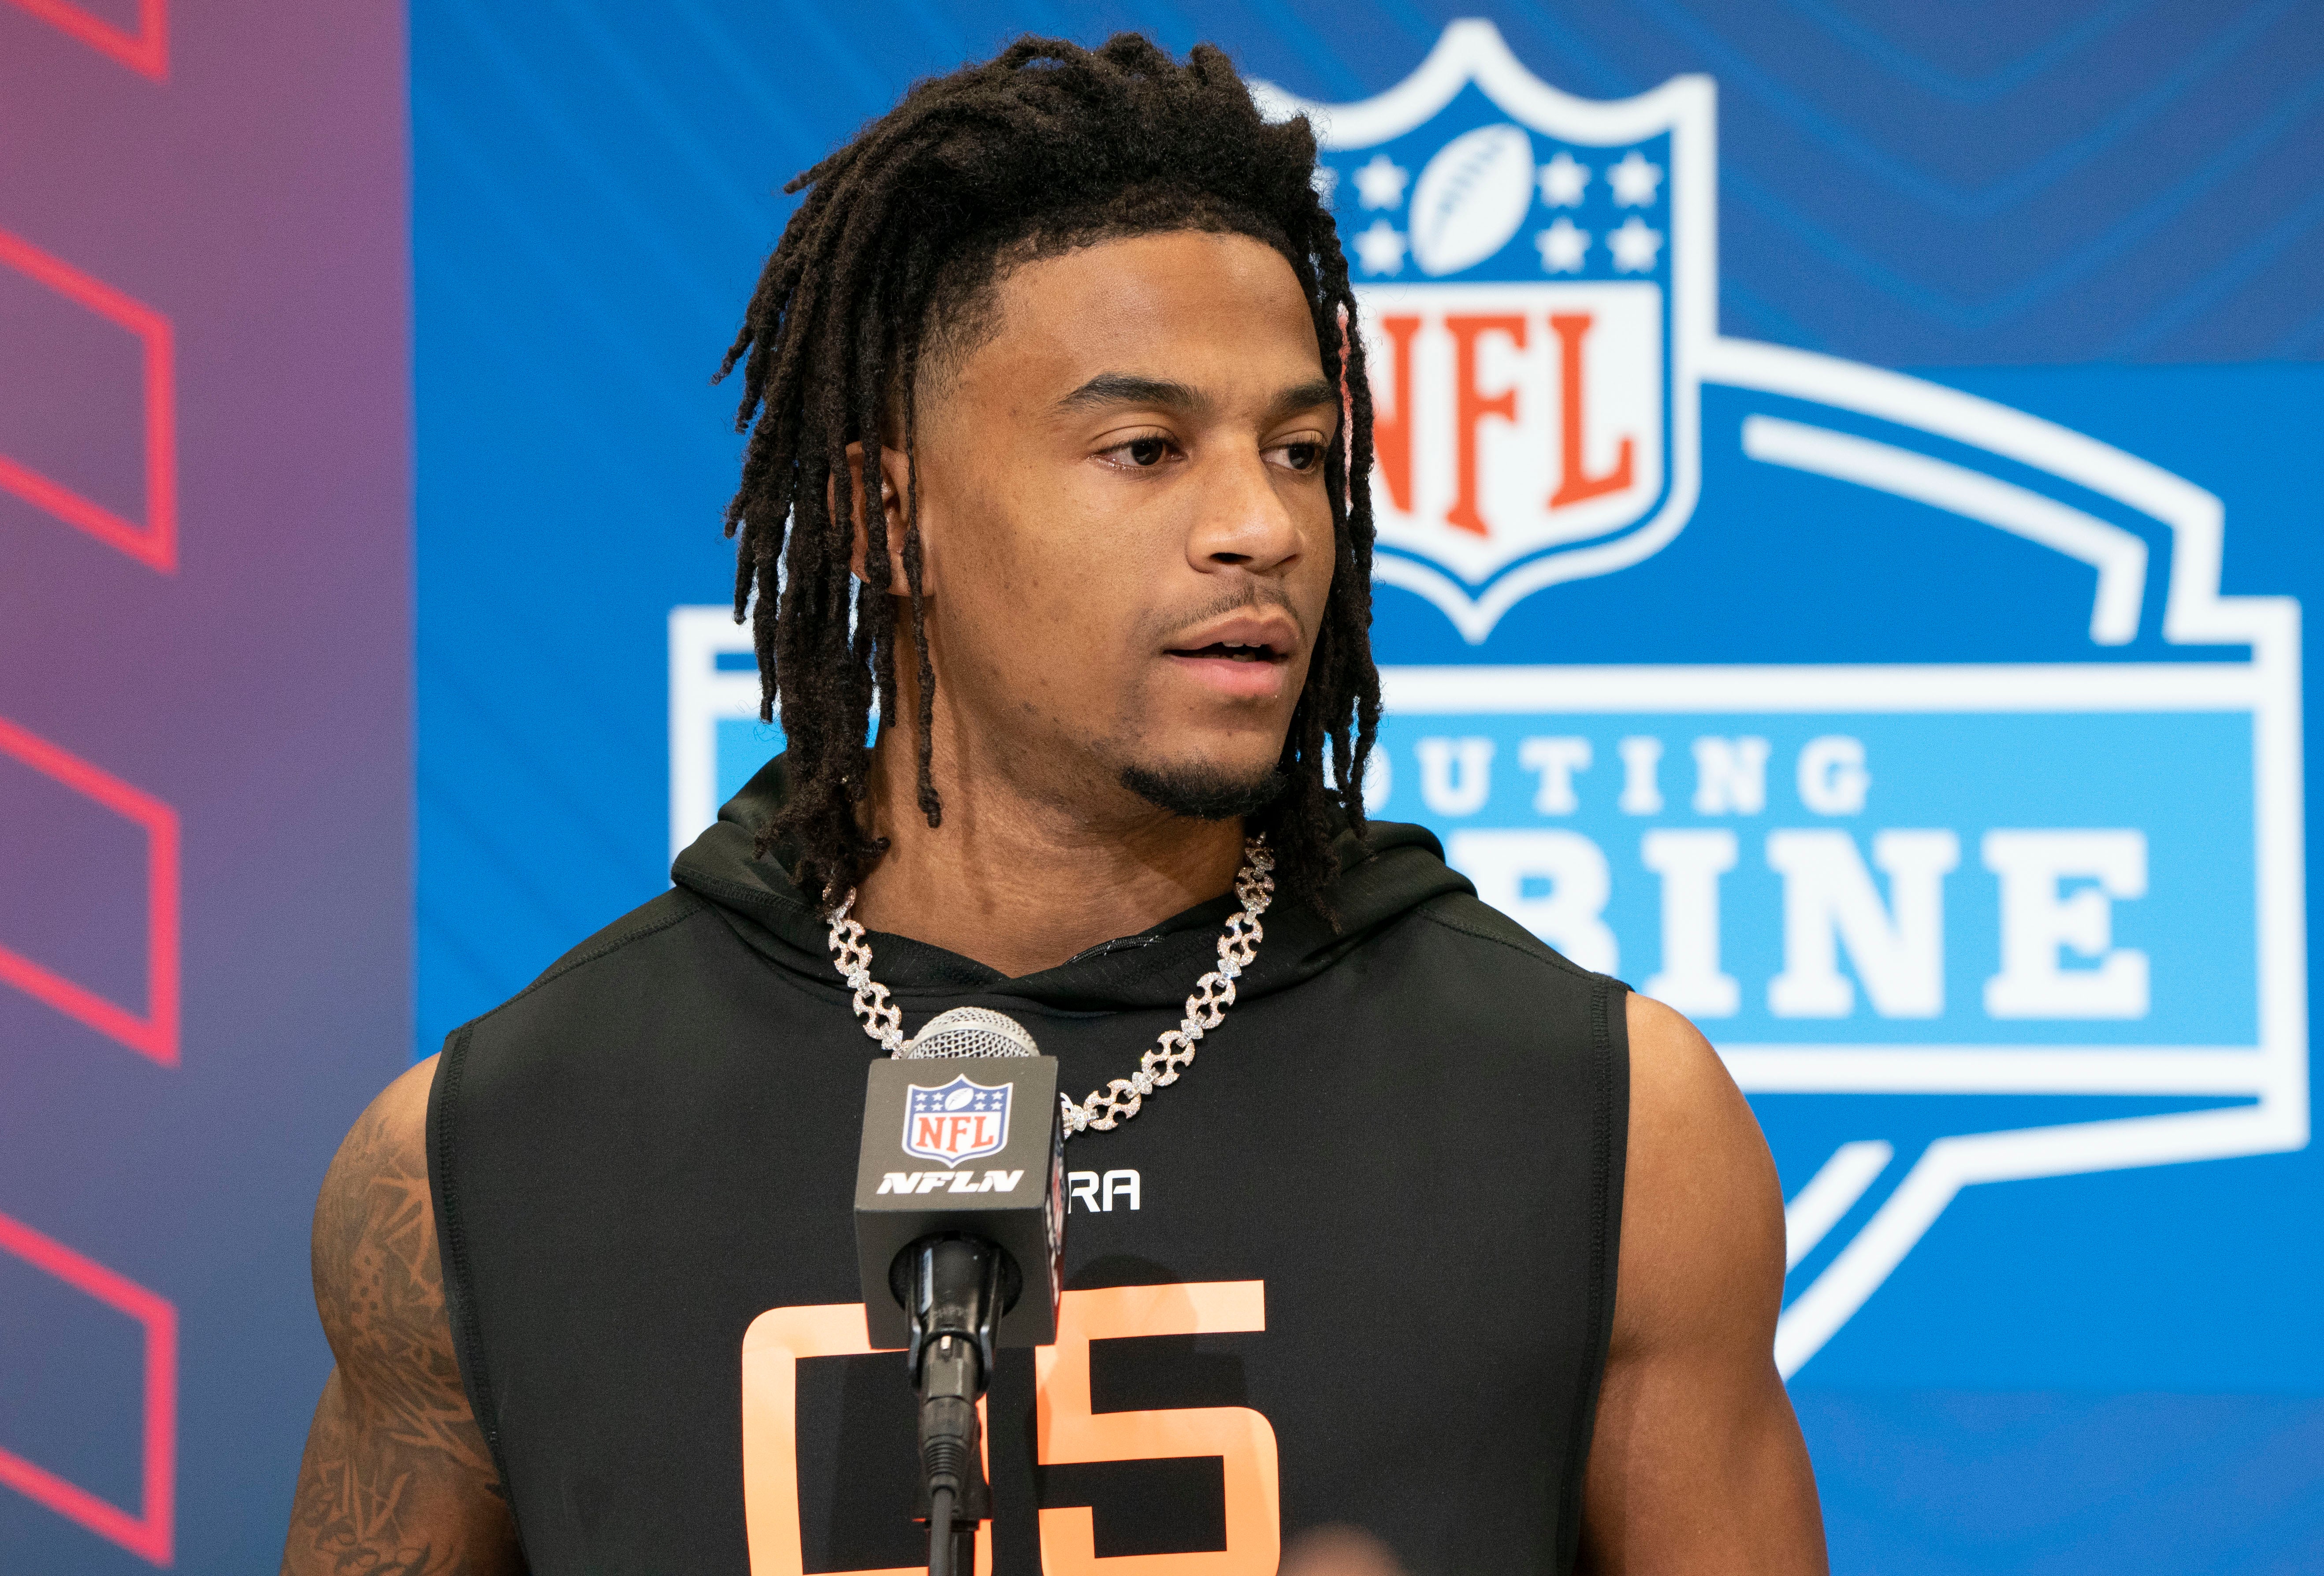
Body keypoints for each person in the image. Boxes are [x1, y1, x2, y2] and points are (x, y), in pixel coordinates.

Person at [281, 34, 1825, 1576]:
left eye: (1299, 451)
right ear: (890, 518)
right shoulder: (481, 1162)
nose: (1262, 525)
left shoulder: (1607, 1124)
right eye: (1144, 449)